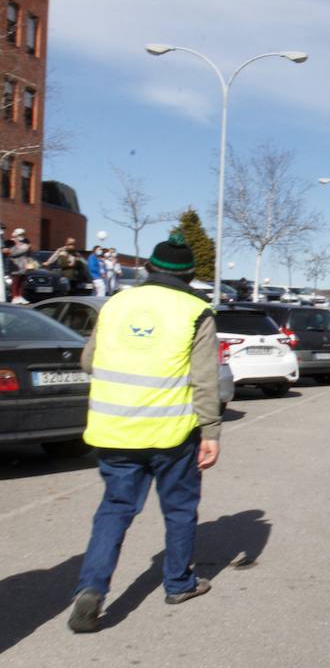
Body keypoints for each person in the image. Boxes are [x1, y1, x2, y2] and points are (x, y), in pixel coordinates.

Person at [67, 232, 222, 633]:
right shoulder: (196, 311)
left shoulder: (116, 304)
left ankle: (92, 588)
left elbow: (88, 362)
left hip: (114, 431)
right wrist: (211, 432)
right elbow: (205, 379)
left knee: (114, 511)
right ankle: (178, 584)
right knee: (180, 510)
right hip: (171, 435)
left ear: (148, 267)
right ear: (189, 274)